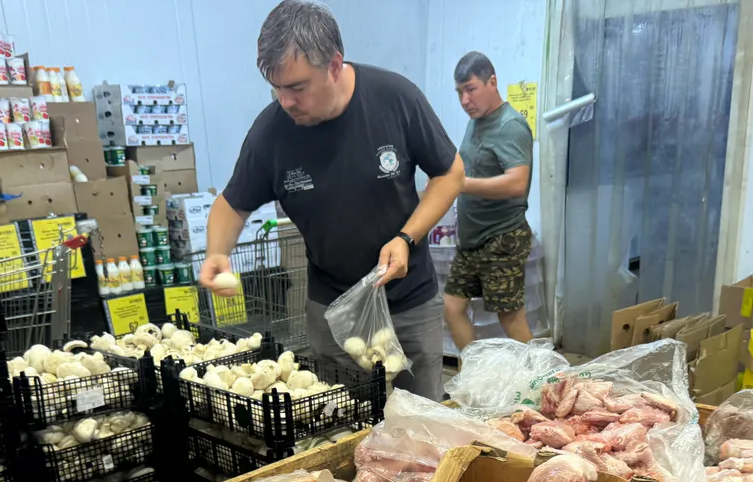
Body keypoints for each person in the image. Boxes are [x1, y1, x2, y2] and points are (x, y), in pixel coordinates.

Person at [200, 0, 464, 401]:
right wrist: (217, 252)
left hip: (408, 304)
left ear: (334, 65)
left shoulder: (395, 99)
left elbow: (450, 173)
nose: (285, 101)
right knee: (345, 423)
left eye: (296, 87)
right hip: (333, 314)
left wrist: (406, 238)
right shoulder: (272, 133)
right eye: (276, 88)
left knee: (421, 422)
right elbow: (232, 204)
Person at [443, 51, 535, 351]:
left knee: (510, 318)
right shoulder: (476, 122)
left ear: (492, 82)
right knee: (452, 308)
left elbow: (517, 183)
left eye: (470, 89)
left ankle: (544, 375)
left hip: (501, 237)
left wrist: (462, 184)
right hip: (471, 240)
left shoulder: (510, 125)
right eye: (459, 92)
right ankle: (475, 370)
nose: (465, 100)